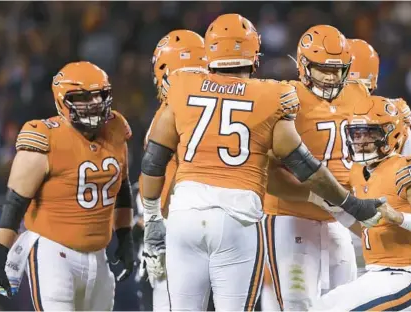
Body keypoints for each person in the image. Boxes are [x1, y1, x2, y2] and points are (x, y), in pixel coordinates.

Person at [140, 13, 385, 311]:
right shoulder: (272, 94)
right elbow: (304, 166)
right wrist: (349, 203)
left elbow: (154, 160)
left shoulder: (181, 85)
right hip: (237, 216)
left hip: (185, 214)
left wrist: (152, 217)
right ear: (254, 57)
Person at [0, 61, 135, 311]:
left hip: (99, 256)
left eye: (99, 95)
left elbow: (122, 188)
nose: (94, 103)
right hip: (54, 254)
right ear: (63, 100)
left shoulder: (116, 127)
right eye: (83, 97)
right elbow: (15, 204)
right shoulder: (44, 137)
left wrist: (126, 238)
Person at [261, 25, 370, 311]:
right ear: (304, 65)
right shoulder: (286, 98)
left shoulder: (359, 94)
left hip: (338, 219)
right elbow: (267, 174)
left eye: (338, 70)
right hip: (291, 216)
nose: (332, 77)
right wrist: (313, 196)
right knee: (299, 303)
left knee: (346, 303)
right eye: (324, 69)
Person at [311, 96, 411, 311]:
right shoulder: (358, 172)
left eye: (370, 133)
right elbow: (371, 229)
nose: (361, 140)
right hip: (375, 274)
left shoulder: (405, 168)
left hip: (408, 275)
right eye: (356, 134)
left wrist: (399, 217)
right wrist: (335, 208)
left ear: (391, 133)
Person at [138, 29, 208, 312]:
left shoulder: (167, 113)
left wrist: (153, 224)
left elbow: (157, 175)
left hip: (178, 224)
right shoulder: (225, 106)